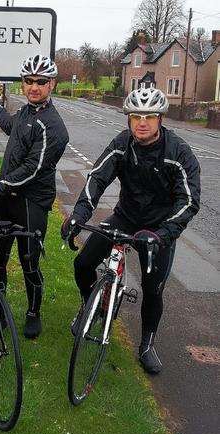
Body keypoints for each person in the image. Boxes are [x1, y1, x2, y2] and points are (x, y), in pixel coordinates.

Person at [61, 86, 200, 374]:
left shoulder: (179, 152)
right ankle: (93, 308)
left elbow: (188, 202)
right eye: (136, 116)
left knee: (152, 289)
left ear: (161, 119)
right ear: (128, 119)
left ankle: (147, 345)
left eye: (149, 116)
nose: (142, 122)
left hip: (159, 229)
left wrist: (162, 235)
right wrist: (78, 215)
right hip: (124, 217)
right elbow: (97, 179)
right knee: (82, 263)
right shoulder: (122, 143)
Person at [0, 54, 69, 339]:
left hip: (31, 202)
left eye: (41, 82)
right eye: (28, 81)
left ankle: (33, 313)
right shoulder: (27, 113)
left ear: (51, 84)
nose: (34, 87)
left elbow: (33, 167)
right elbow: (11, 127)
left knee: (29, 260)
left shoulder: (54, 127)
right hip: (6, 198)